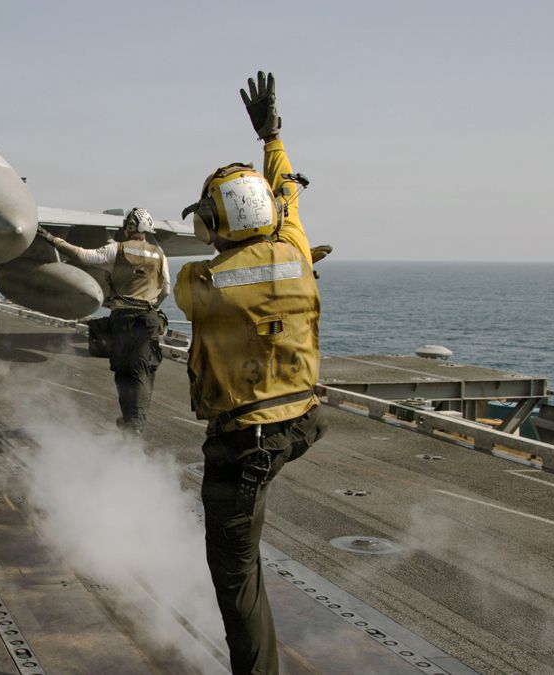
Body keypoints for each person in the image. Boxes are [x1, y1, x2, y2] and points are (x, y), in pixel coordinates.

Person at [174, 71, 328, 675]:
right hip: (303, 421)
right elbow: (288, 188)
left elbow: (216, 268)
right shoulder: (294, 246)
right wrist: (271, 135)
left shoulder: (200, 282)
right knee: (246, 557)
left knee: (235, 572)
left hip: (247, 443)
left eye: (205, 219)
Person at [37, 208, 170, 434]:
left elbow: (81, 255)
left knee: (122, 370)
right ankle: (134, 424)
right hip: (147, 319)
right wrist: (152, 306)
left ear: (129, 227)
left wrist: (52, 239)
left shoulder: (116, 249)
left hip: (122, 319)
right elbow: (165, 289)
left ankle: (130, 421)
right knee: (142, 369)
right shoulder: (160, 254)